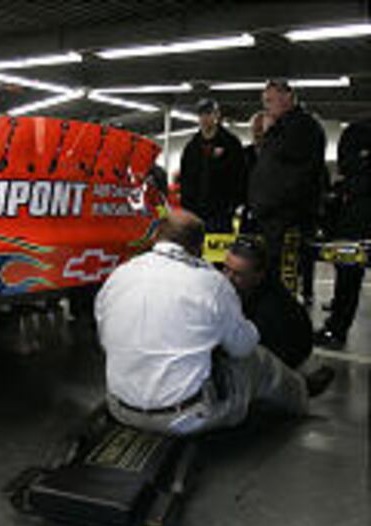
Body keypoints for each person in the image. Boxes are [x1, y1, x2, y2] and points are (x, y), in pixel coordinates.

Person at [94, 209, 334, 436]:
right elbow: (243, 348)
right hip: (183, 418)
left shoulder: (119, 275)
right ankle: (301, 394)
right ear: (199, 248)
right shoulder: (211, 284)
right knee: (257, 359)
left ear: (157, 237)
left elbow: (104, 338)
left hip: (120, 408)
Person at [246, 80, 326, 281]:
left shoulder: (303, 127)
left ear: (288, 98)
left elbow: (295, 174)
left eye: (270, 100)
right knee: (268, 272)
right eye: (265, 101)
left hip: (284, 218)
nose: (266, 106)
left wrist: (270, 205)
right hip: (272, 216)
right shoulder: (282, 128)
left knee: (279, 276)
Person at [314, 118, 371, 349]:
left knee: (348, 275)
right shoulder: (358, 130)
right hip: (355, 214)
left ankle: (336, 329)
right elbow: (348, 167)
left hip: (356, 214)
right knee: (347, 273)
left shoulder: (357, 130)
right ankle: (336, 329)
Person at [223, 235, 313, 368]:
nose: (227, 278)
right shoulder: (243, 289)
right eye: (226, 269)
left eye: (238, 274)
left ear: (259, 276)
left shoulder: (275, 309)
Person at [180, 98, 246, 232]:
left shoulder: (231, 144)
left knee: (219, 251)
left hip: (221, 214)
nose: (205, 118)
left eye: (209, 113)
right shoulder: (191, 147)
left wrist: (232, 205)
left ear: (217, 115)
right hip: (195, 213)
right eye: (201, 114)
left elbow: (240, 175)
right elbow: (185, 178)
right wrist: (186, 207)